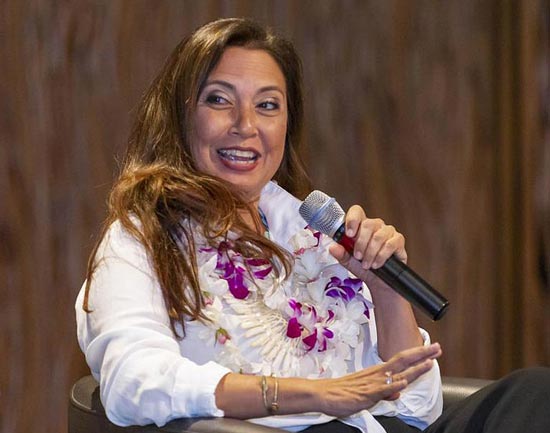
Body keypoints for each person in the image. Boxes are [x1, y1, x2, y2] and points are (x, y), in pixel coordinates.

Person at [75, 17, 550, 433]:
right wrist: (309, 394)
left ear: (286, 124)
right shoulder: (141, 237)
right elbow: (133, 380)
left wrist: (384, 287)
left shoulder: (315, 231)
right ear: (181, 116)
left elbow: (416, 408)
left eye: (267, 105)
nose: (245, 125)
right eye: (219, 100)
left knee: (534, 394)